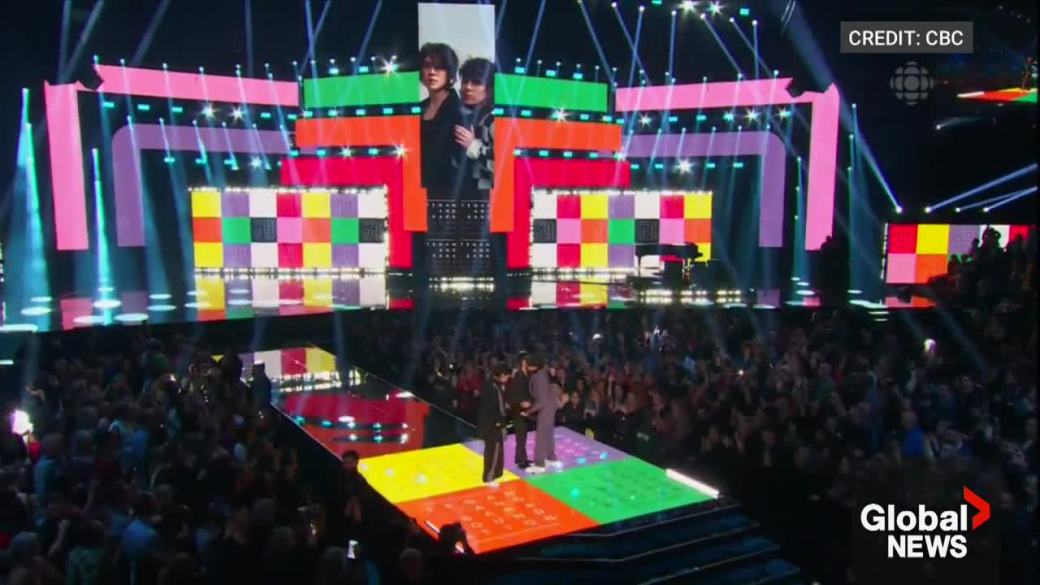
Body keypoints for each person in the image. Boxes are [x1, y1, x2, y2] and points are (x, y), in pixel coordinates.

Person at [418, 42, 463, 195]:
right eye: (427, 66)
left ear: (449, 72)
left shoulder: (459, 110)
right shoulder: (419, 108)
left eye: (439, 67)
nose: (432, 72)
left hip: (450, 192)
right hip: (419, 187)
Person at [454, 57, 496, 197]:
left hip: (487, 199)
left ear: (490, 89)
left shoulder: (494, 120)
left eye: (477, 82)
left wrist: (473, 146)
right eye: (465, 81)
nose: (468, 87)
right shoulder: (465, 116)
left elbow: (505, 166)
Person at [523, 355, 560, 473]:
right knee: (548, 433)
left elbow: (541, 401)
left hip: (546, 408)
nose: (526, 366)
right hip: (550, 406)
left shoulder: (539, 377)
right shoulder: (544, 373)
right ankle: (551, 457)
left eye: (528, 364)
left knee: (541, 436)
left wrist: (528, 411)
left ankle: (539, 464)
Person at [478, 365, 511, 486]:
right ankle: (489, 477)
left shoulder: (496, 385)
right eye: (507, 376)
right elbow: (490, 409)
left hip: (495, 423)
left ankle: (496, 474)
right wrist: (499, 422)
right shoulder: (491, 387)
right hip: (492, 425)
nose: (508, 379)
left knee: (497, 449)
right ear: (501, 375)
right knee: (493, 451)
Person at [506, 352, 533, 468]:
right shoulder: (519, 377)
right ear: (523, 362)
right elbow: (512, 397)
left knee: (522, 436)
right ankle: (522, 460)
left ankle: (520, 457)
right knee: (521, 436)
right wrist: (522, 403)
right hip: (519, 411)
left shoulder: (526, 376)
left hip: (524, 411)